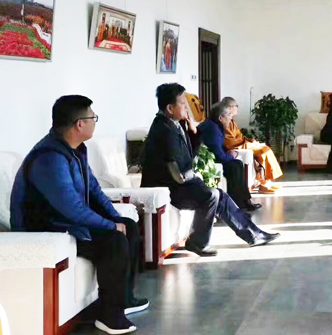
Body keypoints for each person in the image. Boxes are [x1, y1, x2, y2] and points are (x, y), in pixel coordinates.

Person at [10, 95, 147, 334]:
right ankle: (109, 316)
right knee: (114, 240)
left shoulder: (75, 150)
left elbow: (94, 190)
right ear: (79, 124)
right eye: (93, 117)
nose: (95, 122)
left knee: (129, 226)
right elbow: (71, 207)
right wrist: (109, 226)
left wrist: (115, 218)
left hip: (64, 222)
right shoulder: (49, 158)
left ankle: (123, 298)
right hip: (48, 227)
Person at [140, 83, 279, 258]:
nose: (186, 107)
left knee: (219, 195)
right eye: (182, 103)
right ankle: (198, 243)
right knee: (211, 195)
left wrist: (194, 132)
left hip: (178, 184)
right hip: (167, 188)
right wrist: (195, 179)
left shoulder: (174, 124)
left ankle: (254, 235)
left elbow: (189, 156)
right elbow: (178, 169)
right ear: (170, 108)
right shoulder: (163, 130)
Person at [198, 102, 261, 212]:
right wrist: (231, 155)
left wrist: (229, 153)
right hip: (207, 161)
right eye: (228, 115)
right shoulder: (212, 129)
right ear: (220, 118)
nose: (231, 118)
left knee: (237, 164)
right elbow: (219, 155)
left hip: (213, 157)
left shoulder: (215, 125)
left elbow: (218, 147)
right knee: (234, 166)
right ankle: (237, 204)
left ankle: (244, 201)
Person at [220, 97, 282, 193]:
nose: (237, 108)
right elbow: (230, 142)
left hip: (241, 144)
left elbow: (239, 137)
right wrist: (248, 144)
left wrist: (250, 141)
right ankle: (263, 184)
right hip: (235, 147)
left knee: (265, 148)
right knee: (264, 150)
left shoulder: (231, 121)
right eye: (236, 106)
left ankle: (266, 182)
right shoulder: (225, 121)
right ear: (230, 108)